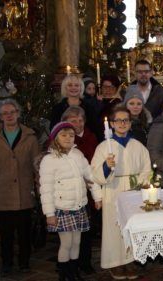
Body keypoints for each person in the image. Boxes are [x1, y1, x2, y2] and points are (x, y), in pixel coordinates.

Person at [0, 99, 40, 277]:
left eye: (12, 112)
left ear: (18, 113)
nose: (9, 116)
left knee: (25, 233)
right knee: (5, 234)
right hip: (0, 193)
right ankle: (7, 263)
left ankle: (24, 262)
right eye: (5, 113)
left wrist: (40, 189)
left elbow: (37, 166)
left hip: (24, 193)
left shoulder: (30, 136)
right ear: (0, 116)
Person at [91, 107, 151, 280]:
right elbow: (94, 173)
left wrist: (140, 184)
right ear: (111, 124)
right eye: (118, 120)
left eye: (126, 120)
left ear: (130, 124)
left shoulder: (138, 146)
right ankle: (116, 262)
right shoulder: (104, 147)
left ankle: (130, 260)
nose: (122, 123)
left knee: (131, 226)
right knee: (114, 227)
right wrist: (106, 166)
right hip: (113, 189)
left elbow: (146, 169)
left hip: (133, 190)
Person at [39, 122, 102, 281]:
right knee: (66, 244)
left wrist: (97, 197)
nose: (68, 138)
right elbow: (46, 189)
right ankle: (63, 273)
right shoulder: (49, 160)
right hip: (62, 208)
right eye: (64, 135)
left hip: (79, 206)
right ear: (55, 138)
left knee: (77, 243)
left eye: (71, 135)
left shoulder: (78, 155)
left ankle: (74, 272)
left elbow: (90, 177)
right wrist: (49, 213)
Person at [60, 106, 100, 274]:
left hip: (88, 191)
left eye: (80, 120)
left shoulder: (91, 137)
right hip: (68, 195)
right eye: (73, 121)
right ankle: (67, 268)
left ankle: (85, 262)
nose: (77, 124)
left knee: (86, 232)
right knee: (69, 237)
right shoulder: (60, 140)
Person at [50, 75, 100, 141]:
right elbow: (54, 129)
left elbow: (95, 129)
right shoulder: (58, 108)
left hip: (85, 143)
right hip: (64, 143)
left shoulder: (89, 108)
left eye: (76, 85)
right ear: (65, 88)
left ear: (81, 88)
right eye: (70, 85)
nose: (73, 88)